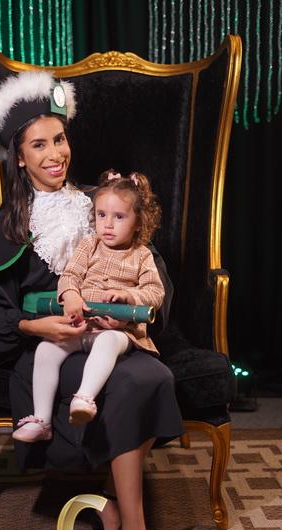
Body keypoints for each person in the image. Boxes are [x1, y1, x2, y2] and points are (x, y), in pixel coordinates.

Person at [0, 69, 182, 530]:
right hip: (51, 346)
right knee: (127, 383)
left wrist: (126, 311)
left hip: (110, 334)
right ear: (19, 158)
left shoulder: (100, 201)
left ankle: (113, 505)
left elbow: (150, 271)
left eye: (60, 139)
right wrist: (34, 324)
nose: (55, 154)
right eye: (39, 145)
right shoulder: (11, 223)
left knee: (153, 376)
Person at [13, 168, 165, 442]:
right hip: (80, 326)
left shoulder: (141, 255)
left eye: (119, 217)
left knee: (108, 341)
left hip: (118, 330)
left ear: (138, 222)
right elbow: (70, 275)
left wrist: (129, 296)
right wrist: (71, 295)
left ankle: (84, 398)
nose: (108, 224)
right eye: (101, 215)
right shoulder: (88, 245)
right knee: (46, 349)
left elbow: (155, 292)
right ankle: (41, 420)